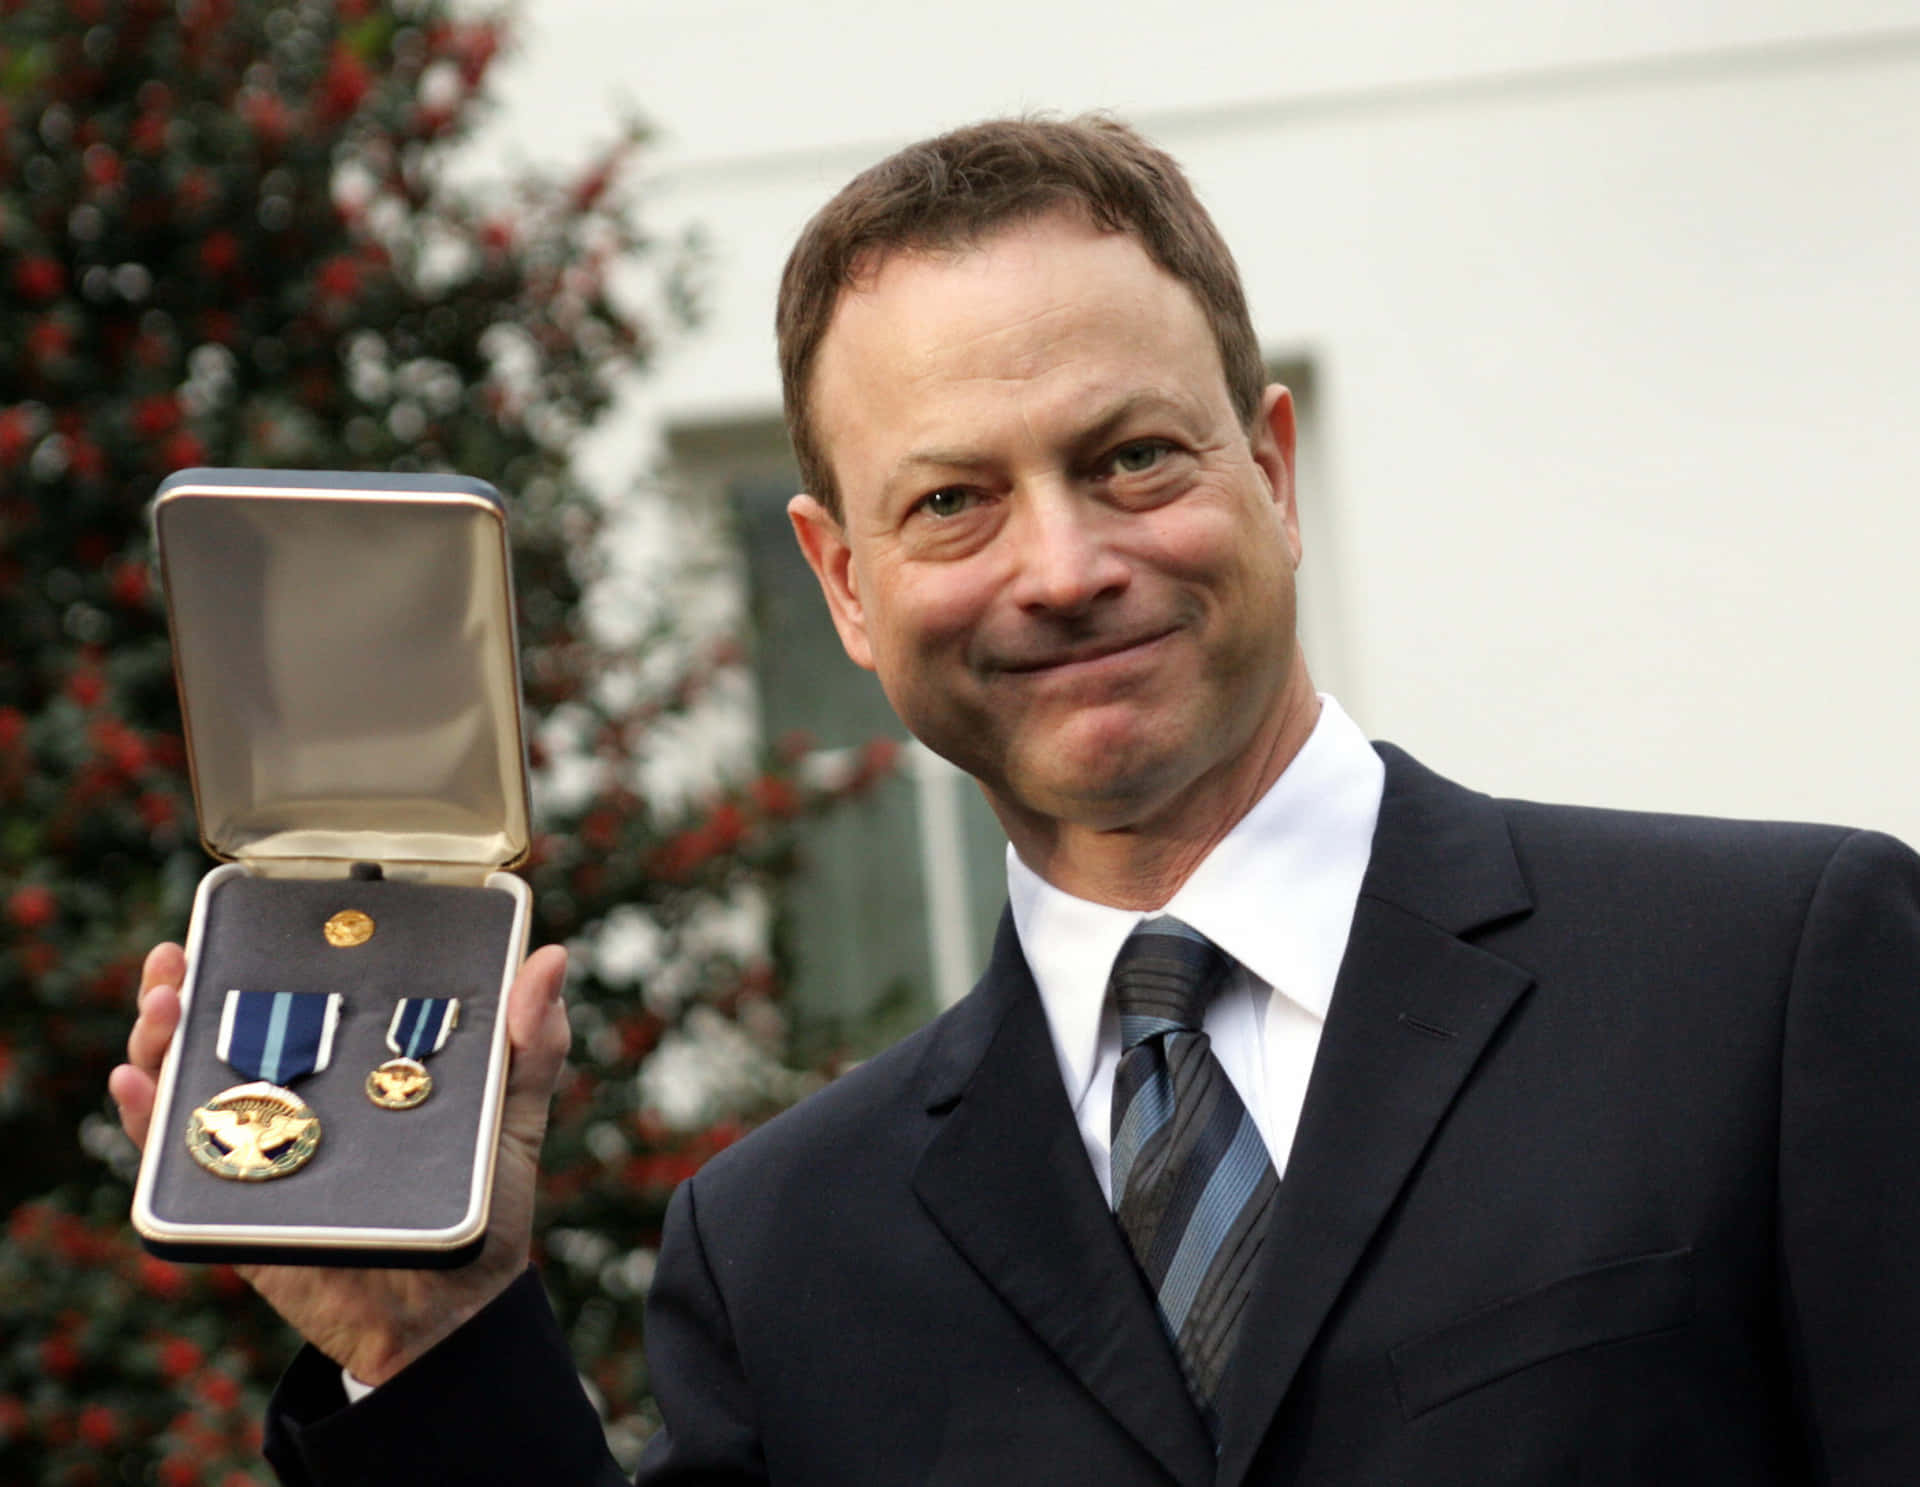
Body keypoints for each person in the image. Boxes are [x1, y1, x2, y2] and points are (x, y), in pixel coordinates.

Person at [112, 115, 1920, 1485]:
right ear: (842, 585)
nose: (1061, 567)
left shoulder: (1772, 983)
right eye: (953, 503)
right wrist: (421, 1337)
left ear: (1272, 468)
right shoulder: (783, 1251)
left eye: (1131, 459)